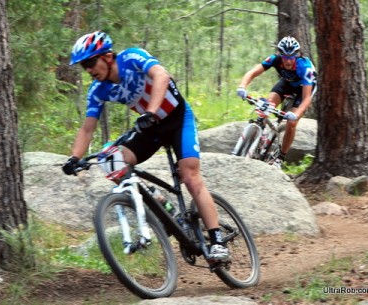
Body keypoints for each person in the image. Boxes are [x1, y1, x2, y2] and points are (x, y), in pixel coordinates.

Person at [62, 31, 230, 261]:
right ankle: (160, 203)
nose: (89, 70)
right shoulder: (98, 90)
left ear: (108, 56)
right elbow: (87, 128)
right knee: (110, 160)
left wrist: (150, 111)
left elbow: (161, 75)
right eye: (84, 66)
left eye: (91, 62)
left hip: (177, 119)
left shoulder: (131, 57)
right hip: (150, 127)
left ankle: (218, 240)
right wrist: (74, 158)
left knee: (190, 177)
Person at [236, 36, 317, 169]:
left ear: (297, 55)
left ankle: (280, 158)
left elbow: (307, 98)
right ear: (280, 55)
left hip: (305, 88)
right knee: (267, 105)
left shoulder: (305, 67)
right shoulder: (275, 59)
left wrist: (295, 115)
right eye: (285, 57)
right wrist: (242, 87)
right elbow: (253, 72)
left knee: (291, 123)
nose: (288, 61)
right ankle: (261, 130)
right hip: (288, 83)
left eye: (291, 57)